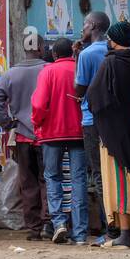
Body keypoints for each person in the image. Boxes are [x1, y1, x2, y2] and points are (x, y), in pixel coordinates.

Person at [87, 21, 130, 249]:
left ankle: (125, 233)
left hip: (113, 132)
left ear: (113, 40)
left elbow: (94, 97)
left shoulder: (111, 63)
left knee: (119, 181)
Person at [0, 27, 49, 240]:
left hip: (22, 136)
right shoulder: (48, 70)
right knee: (48, 180)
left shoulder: (10, 73)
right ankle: (50, 223)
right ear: (41, 48)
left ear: (24, 49)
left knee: (28, 182)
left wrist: (7, 122)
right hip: (47, 137)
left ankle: (34, 228)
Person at [30, 38, 88, 245]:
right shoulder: (79, 68)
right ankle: (80, 233)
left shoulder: (47, 72)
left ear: (54, 54)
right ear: (71, 53)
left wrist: (38, 123)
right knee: (78, 179)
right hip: (79, 132)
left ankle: (59, 222)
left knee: (52, 177)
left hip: (51, 133)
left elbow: (38, 103)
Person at [73, 12, 112, 240]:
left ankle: (109, 228)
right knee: (115, 172)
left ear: (94, 26)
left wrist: (78, 57)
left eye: (85, 24)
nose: (82, 28)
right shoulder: (113, 49)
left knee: (98, 175)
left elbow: (79, 90)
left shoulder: (87, 55)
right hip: (113, 119)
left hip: (91, 120)